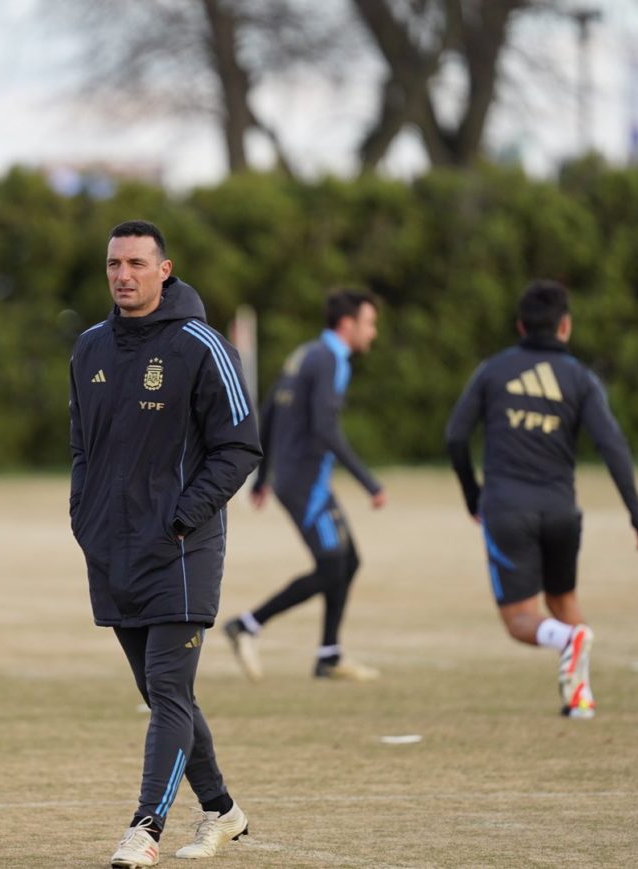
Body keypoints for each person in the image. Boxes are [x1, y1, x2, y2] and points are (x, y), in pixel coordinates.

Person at [69, 220, 261, 867]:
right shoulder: (89, 348)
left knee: (168, 689)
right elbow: (81, 449)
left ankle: (143, 829)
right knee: (163, 694)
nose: (123, 274)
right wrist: (84, 518)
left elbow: (241, 446)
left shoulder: (201, 346)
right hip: (112, 550)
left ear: (164, 269)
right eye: (113, 263)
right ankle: (224, 810)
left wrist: (183, 516)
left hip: (182, 550)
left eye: (136, 263)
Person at [445, 279, 638, 719]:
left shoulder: (493, 370)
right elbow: (612, 445)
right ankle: (580, 697)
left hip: (508, 509)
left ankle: (568, 643)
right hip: (562, 511)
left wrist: (472, 497)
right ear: (565, 327)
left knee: (521, 621)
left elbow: (456, 436)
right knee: (564, 601)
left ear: (521, 326)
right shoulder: (581, 377)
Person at [223, 290, 386, 683]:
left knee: (348, 562)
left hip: (295, 478)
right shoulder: (331, 359)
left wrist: (263, 477)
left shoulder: (307, 353)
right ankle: (248, 624)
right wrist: (368, 482)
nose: (373, 333)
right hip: (305, 483)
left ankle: (329, 654)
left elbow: (272, 409)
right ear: (347, 325)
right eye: (369, 323)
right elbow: (324, 428)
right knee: (332, 565)